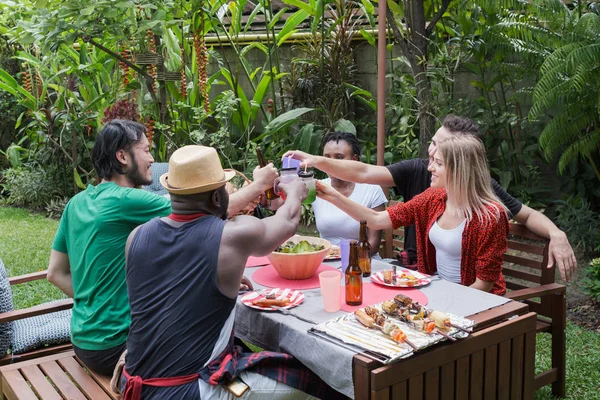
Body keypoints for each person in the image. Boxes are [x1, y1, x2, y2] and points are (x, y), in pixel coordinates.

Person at [47, 120, 278, 375]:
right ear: (122, 157)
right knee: (215, 340)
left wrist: (98, 301)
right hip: (121, 346)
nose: (151, 158)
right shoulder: (126, 199)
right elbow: (208, 209)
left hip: (84, 343)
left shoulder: (76, 203)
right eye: (145, 150)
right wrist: (259, 184)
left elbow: (55, 273)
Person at [121, 145, 343, 399]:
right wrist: (295, 193)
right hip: (189, 388)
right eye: (226, 188)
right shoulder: (231, 235)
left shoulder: (136, 237)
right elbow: (288, 221)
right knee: (324, 389)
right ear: (217, 198)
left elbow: (162, 291)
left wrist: (211, 286)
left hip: (134, 383)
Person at [283, 115, 577, 281]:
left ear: (458, 157)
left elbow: (523, 216)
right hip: (422, 276)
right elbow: (363, 181)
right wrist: (320, 168)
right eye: (432, 146)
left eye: (436, 149)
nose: (429, 156)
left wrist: (555, 232)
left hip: (449, 289)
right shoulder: (428, 189)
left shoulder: (485, 203)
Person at [317, 135, 509, 295]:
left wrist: (443, 303)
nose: (430, 168)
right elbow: (376, 220)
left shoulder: (490, 216)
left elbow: (483, 286)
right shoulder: (433, 198)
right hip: (438, 289)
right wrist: (332, 196)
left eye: (438, 163)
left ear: (459, 169)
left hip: (477, 302)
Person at [312, 132, 387, 254]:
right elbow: (280, 205)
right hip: (325, 262)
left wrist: (344, 255)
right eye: (327, 157)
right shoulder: (317, 188)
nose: (331, 163)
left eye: (339, 157)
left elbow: (373, 244)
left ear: (354, 160)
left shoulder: (371, 190)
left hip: (362, 264)